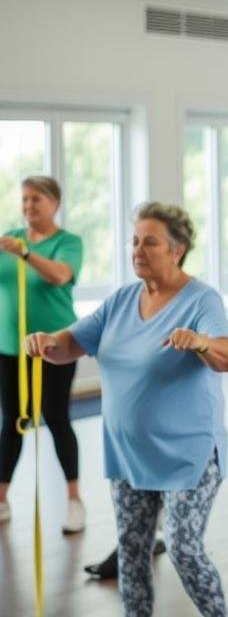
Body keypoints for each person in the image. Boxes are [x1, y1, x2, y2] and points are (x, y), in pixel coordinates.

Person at [24, 202, 228, 617]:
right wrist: (48, 341)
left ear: (177, 250)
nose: (138, 249)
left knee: (183, 548)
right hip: (127, 453)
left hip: (188, 455)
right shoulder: (121, 300)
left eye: (150, 242)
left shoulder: (201, 300)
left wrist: (199, 342)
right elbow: (70, 344)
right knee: (131, 552)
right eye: (134, 240)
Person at [0, 176, 85, 532]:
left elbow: (59, 275)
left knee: (56, 416)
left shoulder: (67, 242)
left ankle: (74, 501)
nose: (29, 206)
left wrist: (25, 253)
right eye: (25, 199)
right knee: (12, 422)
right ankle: (1, 499)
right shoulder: (10, 238)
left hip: (54, 346)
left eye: (37, 199)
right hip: (9, 346)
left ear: (54, 203)